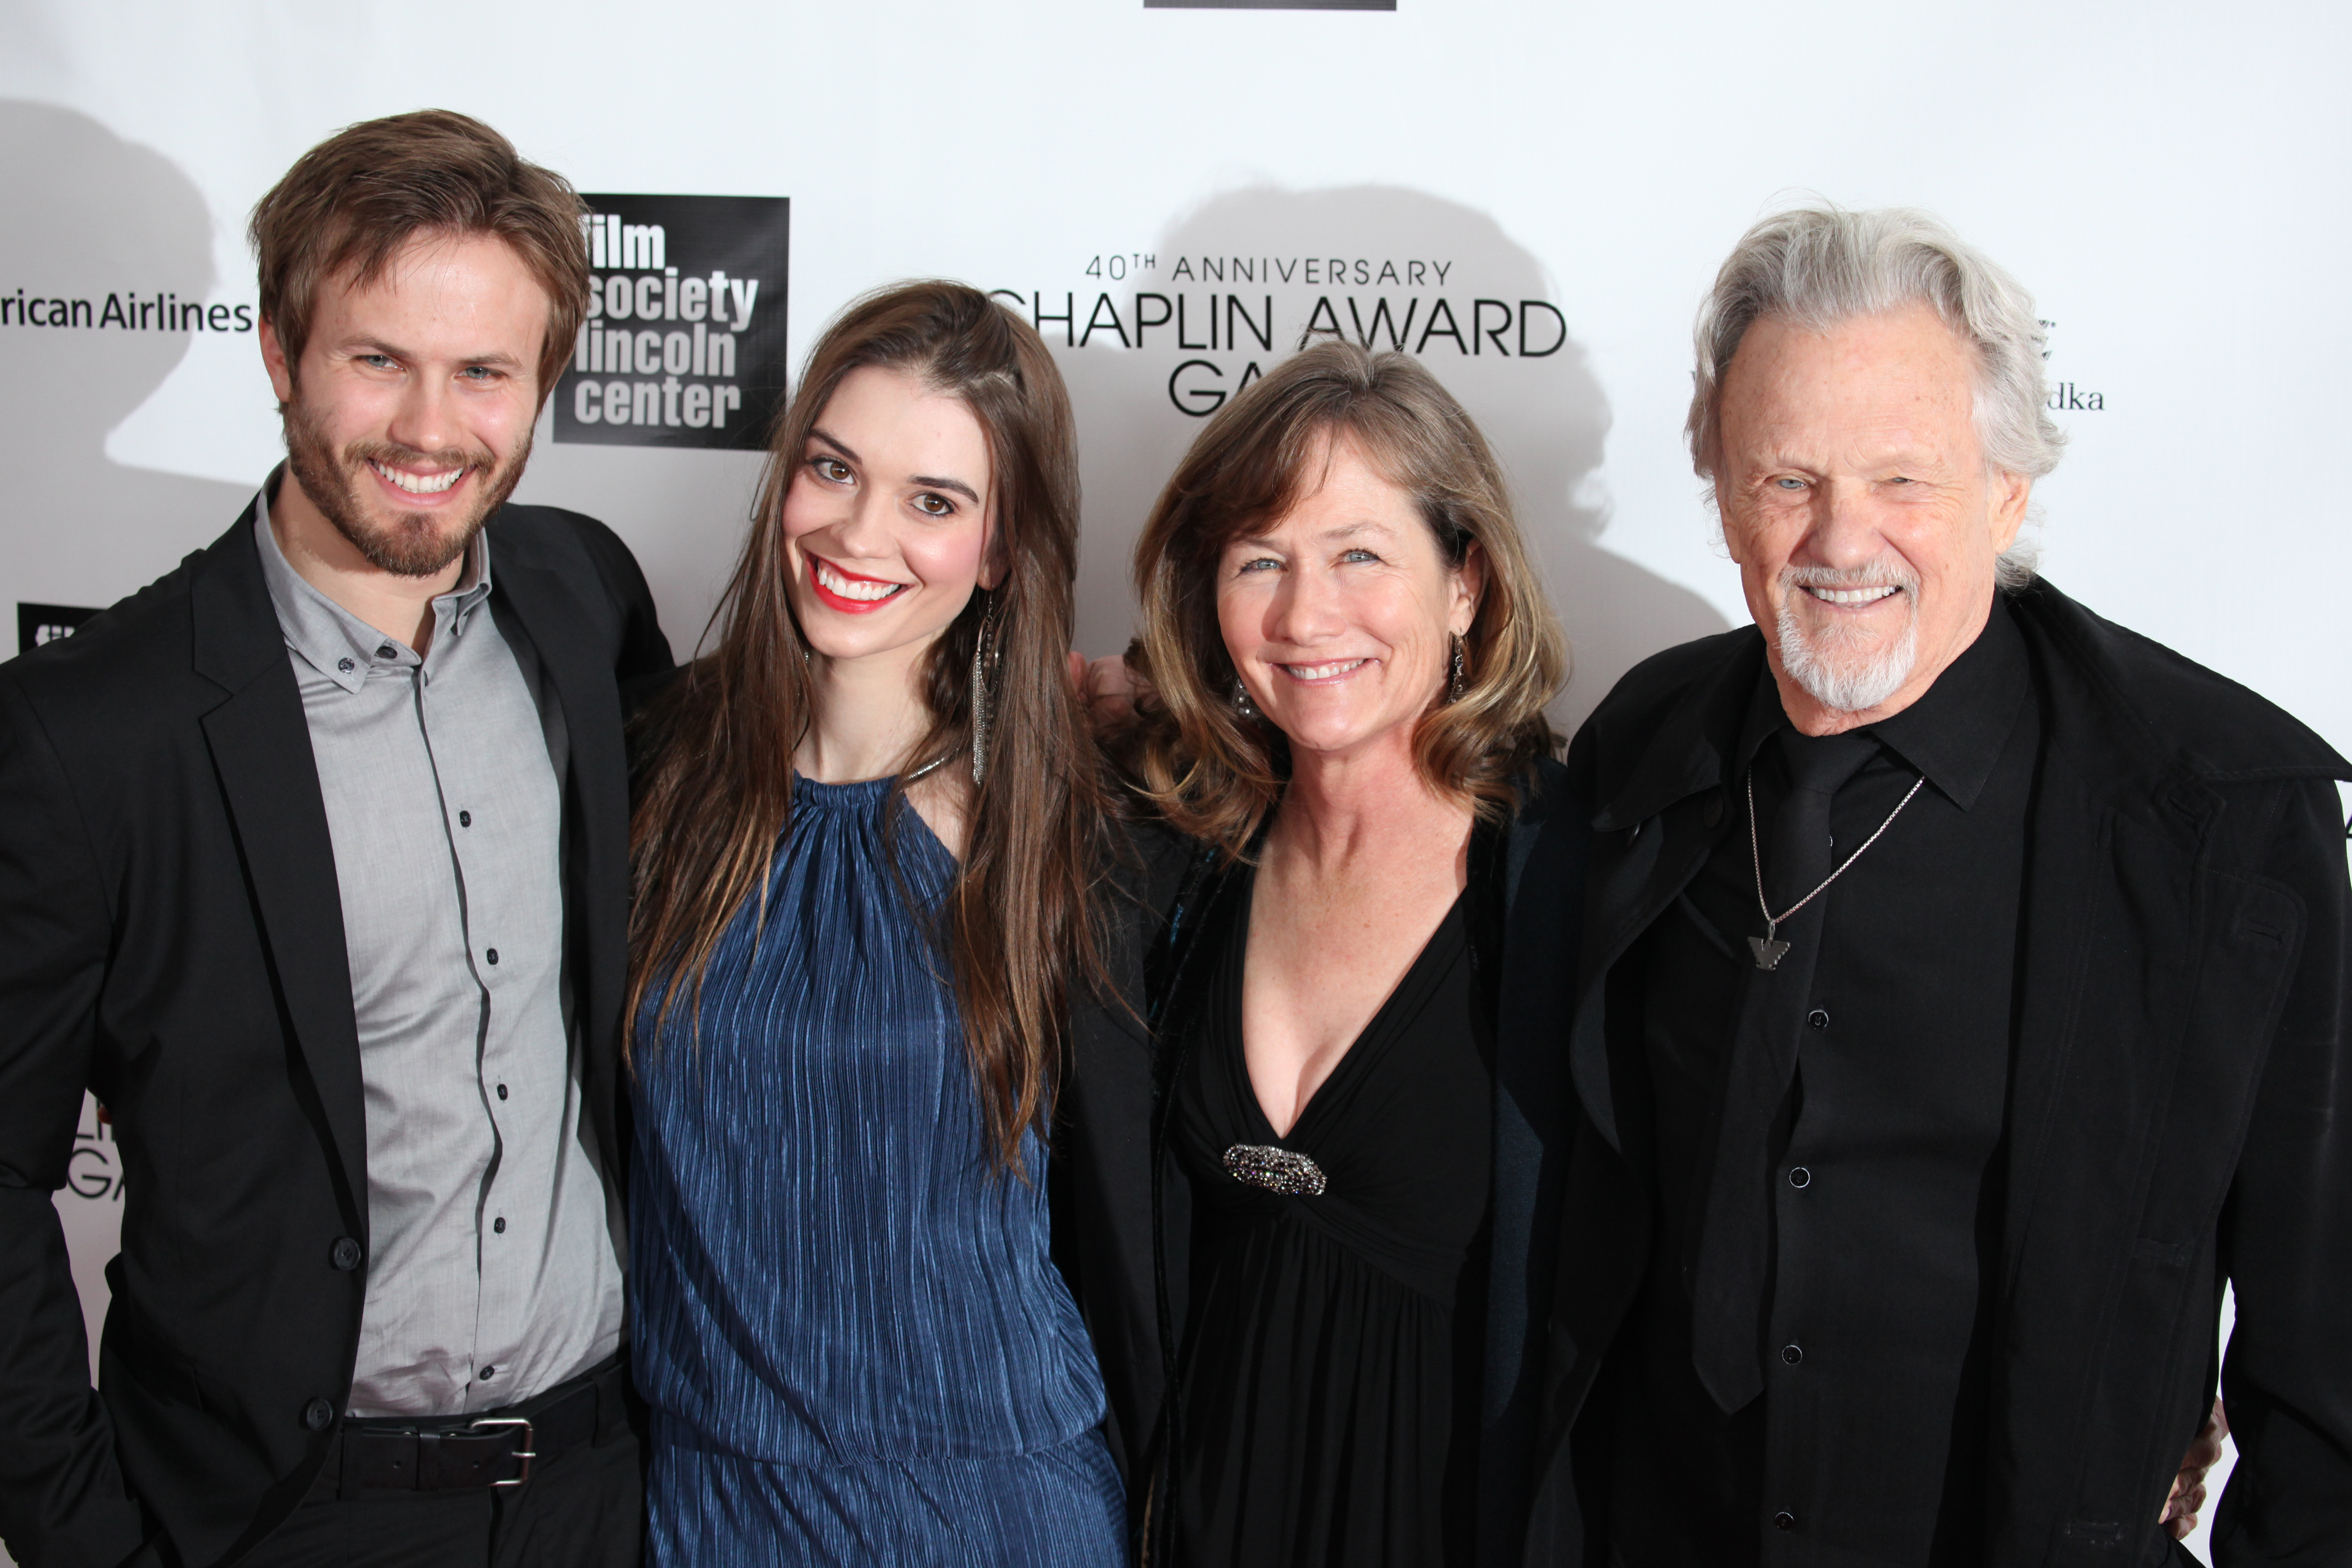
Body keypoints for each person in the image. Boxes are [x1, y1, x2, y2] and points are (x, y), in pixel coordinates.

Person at [1526, 205, 2349, 1565]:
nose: (1841, 540)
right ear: (1722, 492)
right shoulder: (1642, 746)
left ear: (2006, 491)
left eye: (1901, 479)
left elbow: (2322, 1348)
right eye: (1785, 478)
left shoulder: (2218, 817)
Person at [0, 111, 671, 1567]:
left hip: (601, 1486)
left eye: (484, 370)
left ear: (541, 380)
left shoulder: (582, 597)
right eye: (378, 358)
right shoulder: (87, 730)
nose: (432, 429)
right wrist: (83, 1535)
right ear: (278, 352)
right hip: (279, 1513)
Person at [624, 280, 1131, 1566]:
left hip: (985, 1508)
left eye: (934, 502)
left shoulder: (1063, 820)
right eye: (832, 469)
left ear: (1002, 548)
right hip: (701, 1502)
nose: (858, 534)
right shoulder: (655, 770)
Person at [1090, 339, 1574, 1566]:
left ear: (1464, 581)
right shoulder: (1175, 857)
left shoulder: (1574, 877)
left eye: (1360, 554)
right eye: (1261, 562)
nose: (1305, 617)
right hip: (1196, 1520)